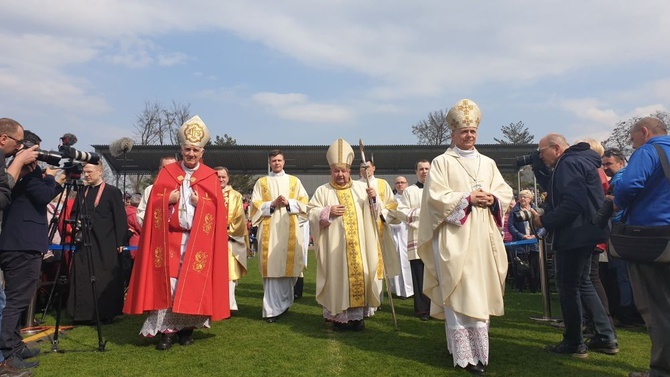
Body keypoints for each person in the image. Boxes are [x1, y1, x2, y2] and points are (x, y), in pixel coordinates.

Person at [417, 99, 513, 375]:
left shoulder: (488, 162)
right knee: (459, 289)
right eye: (463, 132)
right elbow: (434, 198)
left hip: (483, 239)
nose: (468, 136)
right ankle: (463, 355)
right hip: (454, 238)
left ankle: (480, 353)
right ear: (453, 134)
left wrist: (492, 198)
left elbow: (504, 193)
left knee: (479, 292)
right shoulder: (441, 163)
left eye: (472, 131)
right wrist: (467, 199)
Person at [124, 115, 230, 350]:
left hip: (197, 240)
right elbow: (153, 206)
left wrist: (200, 202)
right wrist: (165, 200)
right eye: (187, 149)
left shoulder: (211, 176)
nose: (191, 154)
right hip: (170, 239)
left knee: (193, 285)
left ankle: (186, 329)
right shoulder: (168, 172)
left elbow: (217, 212)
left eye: (195, 150)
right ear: (181, 149)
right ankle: (168, 332)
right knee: (170, 285)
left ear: (202, 152)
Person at [531, 133, 618, 358]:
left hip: (575, 234)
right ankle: (605, 336)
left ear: (557, 148)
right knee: (584, 283)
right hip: (589, 231)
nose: (541, 157)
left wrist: (544, 221)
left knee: (569, 287)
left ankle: (574, 343)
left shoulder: (568, 164)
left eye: (542, 152)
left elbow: (572, 203)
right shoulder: (583, 161)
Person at [0, 131, 63, 371]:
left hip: (21, 243)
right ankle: (6, 352)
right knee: (15, 300)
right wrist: (55, 180)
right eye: (35, 150)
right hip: (21, 244)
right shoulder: (22, 175)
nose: (39, 155)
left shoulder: (24, 173)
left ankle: (15, 345)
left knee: (18, 299)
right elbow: (43, 195)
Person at [613, 117, 670, 377]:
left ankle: (661, 370)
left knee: (656, 308)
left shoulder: (648, 151)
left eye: (632, 138)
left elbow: (628, 185)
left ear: (644, 132)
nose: (632, 143)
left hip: (652, 241)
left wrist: (618, 203)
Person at [308, 139, 383, 331]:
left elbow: (375, 214)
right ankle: (338, 318)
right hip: (335, 249)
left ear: (349, 171)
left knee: (359, 277)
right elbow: (311, 213)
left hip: (358, 247)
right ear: (331, 171)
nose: (340, 174)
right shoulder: (322, 191)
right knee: (337, 280)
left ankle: (357, 319)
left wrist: (374, 199)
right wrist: (327, 211)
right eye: (336, 171)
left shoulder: (361, 189)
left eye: (344, 170)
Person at [66, 160, 128, 324]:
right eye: (85, 172)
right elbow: (74, 214)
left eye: (90, 172)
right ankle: (81, 314)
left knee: (104, 276)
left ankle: (104, 313)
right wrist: (75, 224)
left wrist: (120, 241)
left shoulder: (112, 192)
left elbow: (120, 218)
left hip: (105, 242)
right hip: (85, 241)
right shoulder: (82, 191)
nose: (86, 175)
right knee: (82, 275)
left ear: (100, 171)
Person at [250, 149, 308, 323]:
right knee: (272, 271)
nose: (276, 163)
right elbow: (254, 206)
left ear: (284, 162)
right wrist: (272, 204)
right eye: (273, 160)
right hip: (269, 230)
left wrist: (289, 202)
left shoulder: (294, 181)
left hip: (289, 229)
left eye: (279, 160)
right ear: (269, 163)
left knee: (287, 270)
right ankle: (271, 310)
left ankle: (284, 303)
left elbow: (305, 203)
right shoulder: (262, 182)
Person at [0, 118, 38, 377]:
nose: (19, 149)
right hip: (17, 243)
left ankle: (7, 354)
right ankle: (5, 358)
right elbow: (2, 195)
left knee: (3, 300)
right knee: (8, 300)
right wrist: (17, 164)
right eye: (18, 143)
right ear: (4, 139)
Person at [398, 161, 433, 319]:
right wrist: (424, 214)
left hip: (435, 239)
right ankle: (422, 309)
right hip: (417, 238)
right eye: (421, 169)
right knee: (419, 276)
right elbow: (403, 211)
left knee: (435, 275)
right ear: (416, 171)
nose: (424, 172)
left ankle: (437, 308)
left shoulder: (438, 189)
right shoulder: (409, 191)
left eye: (427, 169)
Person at [214, 166, 248, 311]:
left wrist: (225, 230)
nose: (221, 179)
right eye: (218, 176)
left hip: (228, 239)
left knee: (229, 274)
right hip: (210, 240)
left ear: (228, 178)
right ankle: (213, 304)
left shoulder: (236, 195)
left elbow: (239, 218)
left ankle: (228, 305)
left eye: (223, 177)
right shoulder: (206, 192)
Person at [508, 190, 540, 293]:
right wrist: (522, 236)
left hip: (534, 244)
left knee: (534, 267)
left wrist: (536, 235)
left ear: (530, 199)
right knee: (520, 267)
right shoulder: (514, 211)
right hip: (520, 245)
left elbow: (542, 224)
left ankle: (534, 288)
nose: (522, 199)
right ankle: (520, 288)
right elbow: (510, 226)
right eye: (521, 197)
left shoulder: (536, 210)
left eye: (525, 197)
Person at [388, 176, 413, 299]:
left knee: (410, 261)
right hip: (395, 233)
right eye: (397, 183)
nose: (400, 185)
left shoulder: (411, 197)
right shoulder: (392, 200)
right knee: (398, 259)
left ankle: (413, 289)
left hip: (410, 232)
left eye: (402, 182)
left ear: (407, 184)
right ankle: (400, 290)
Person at [136, 156, 177, 227]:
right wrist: (166, 201)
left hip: (177, 235)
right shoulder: (150, 190)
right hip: (157, 232)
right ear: (160, 169)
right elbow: (141, 215)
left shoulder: (183, 189)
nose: (169, 171)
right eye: (165, 168)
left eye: (172, 168)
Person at [122, 193, 142, 289]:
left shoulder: (126, 211)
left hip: (131, 242)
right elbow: (140, 227)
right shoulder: (134, 214)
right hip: (135, 243)